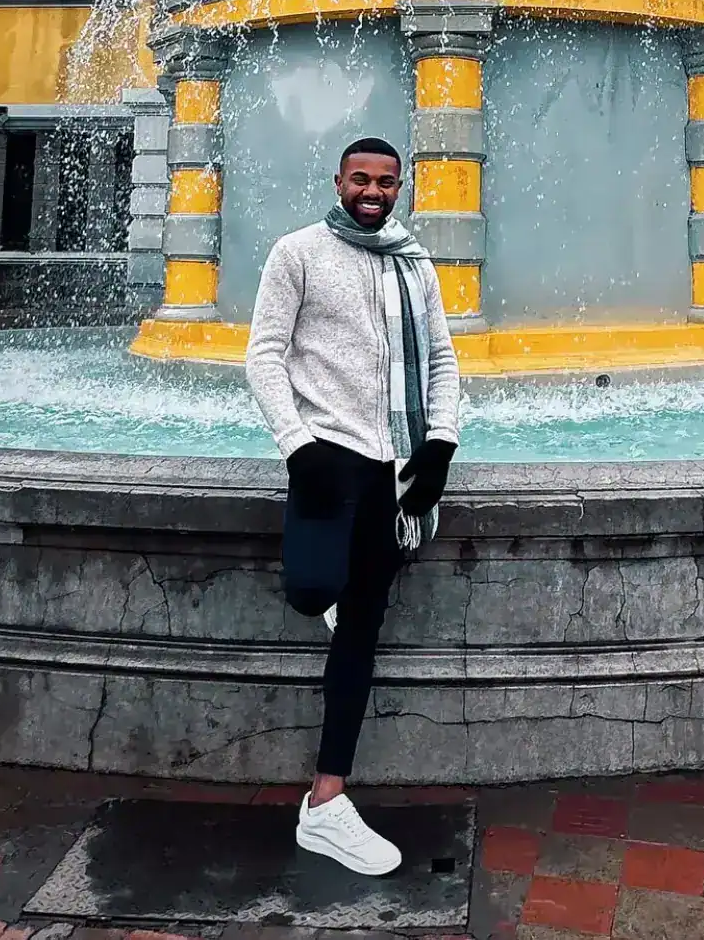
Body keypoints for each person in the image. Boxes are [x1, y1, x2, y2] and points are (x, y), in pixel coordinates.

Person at [245, 137, 461, 876]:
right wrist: (296, 447)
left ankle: (326, 799)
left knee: (362, 629)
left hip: (394, 462)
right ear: (338, 181)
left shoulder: (415, 262)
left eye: (386, 183)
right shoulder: (298, 252)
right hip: (328, 455)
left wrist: (440, 444)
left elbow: (441, 358)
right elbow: (264, 355)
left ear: (401, 187)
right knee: (311, 590)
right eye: (361, 180)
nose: (373, 192)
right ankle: (335, 592)